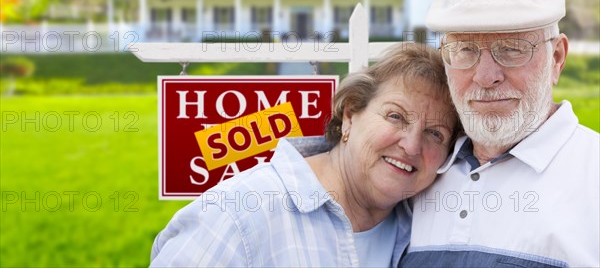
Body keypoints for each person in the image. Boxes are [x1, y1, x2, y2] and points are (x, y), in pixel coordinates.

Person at [150, 43, 460, 267]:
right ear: (350, 115)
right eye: (396, 117)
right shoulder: (237, 216)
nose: (412, 145)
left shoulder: (423, 231)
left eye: (435, 134)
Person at [400, 0, 600, 267]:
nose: (486, 76)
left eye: (511, 49)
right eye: (465, 50)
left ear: (556, 58)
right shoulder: (416, 172)